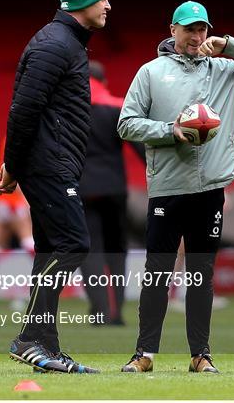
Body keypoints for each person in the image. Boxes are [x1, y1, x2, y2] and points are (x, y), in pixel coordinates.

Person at [117, 0, 234, 373]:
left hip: (211, 189)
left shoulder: (226, 70)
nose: (197, 36)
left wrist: (230, 45)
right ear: (172, 30)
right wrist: (170, 131)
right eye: (189, 29)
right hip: (167, 188)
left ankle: (200, 355)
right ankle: (144, 354)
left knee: (201, 275)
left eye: (202, 29)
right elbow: (126, 124)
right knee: (158, 273)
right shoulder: (151, 72)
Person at [0, 0, 111, 374]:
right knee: (74, 244)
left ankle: (45, 345)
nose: (109, 5)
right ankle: (28, 337)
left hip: (53, 163)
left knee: (50, 252)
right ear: (85, 2)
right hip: (48, 165)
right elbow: (23, 109)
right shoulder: (55, 44)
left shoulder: (66, 42)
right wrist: (13, 166)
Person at [80, 60, 145, 325]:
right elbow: (142, 149)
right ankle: (116, 311)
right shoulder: (118, 107)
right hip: (114, 189)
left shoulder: (69, 109)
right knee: (117, 250)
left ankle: (99, 311)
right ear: (104, 81)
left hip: (81, 189)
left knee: (90, 249)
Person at [0, 137, 35, 257]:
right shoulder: (21, 141)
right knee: (29, 239)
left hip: (2, 196)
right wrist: (26, 198)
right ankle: (54, 274)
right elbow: (14, 170)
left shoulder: (8, 138)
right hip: (13, 198)